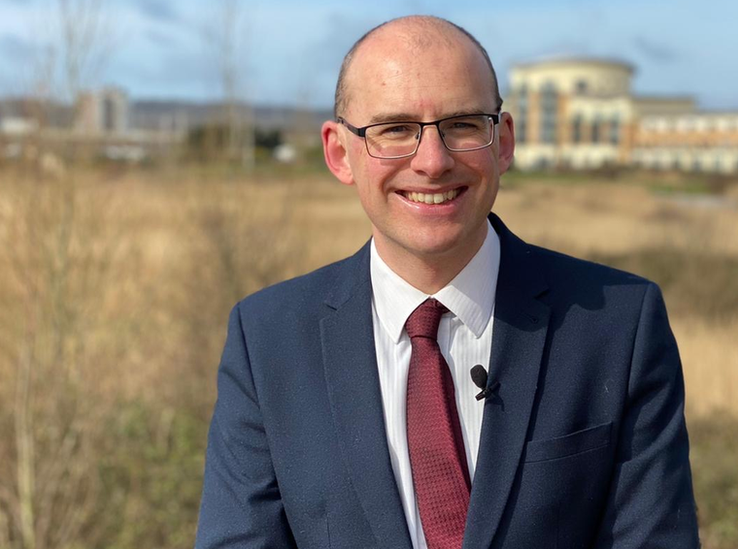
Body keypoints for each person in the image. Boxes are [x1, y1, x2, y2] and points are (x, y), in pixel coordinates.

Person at [195, 15, 699, 549]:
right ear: (340, 153)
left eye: (461, 124)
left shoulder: (618, 326)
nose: (432, 162)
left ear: (502, 142)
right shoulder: (269, 339)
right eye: (395, 129)